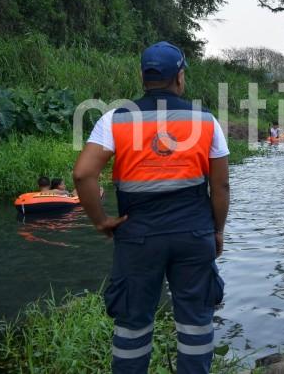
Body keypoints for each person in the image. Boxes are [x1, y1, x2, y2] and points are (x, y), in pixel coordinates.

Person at [73, 41, 230, 373]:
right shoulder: (206, 121)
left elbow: (83, 174)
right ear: (180, 77)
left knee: (133, 324)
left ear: (144, 77)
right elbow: (220, 186)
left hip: (137, 235)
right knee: (196, 323)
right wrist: (217, 231)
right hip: (194, 233)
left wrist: (101, 221)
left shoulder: (115, 119)